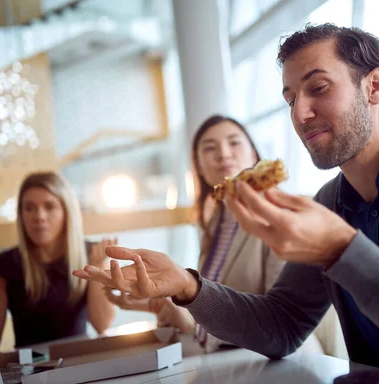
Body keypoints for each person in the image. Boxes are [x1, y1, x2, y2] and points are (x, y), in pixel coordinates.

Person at [73, 23, 379, 383]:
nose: (301, 113)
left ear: (375, 86)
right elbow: (282, 326)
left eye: (318, 88)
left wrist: (342, 250)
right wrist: (187, 286)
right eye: (289, 98)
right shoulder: (331, 200)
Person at [104, 115, 325, 353]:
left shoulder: (279, 214)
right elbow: (219, 306)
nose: (223, 154)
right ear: (198, 166)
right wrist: (164, 305)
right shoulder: (214, 223)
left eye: (234, 143)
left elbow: (280, 319)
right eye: (210, 148)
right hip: (236, 361)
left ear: (253, 154)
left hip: (286, 361)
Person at [0, 172, 116, 355]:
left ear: (66, 212)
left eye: (49, 207)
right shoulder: (1, 267)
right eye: (30, 208)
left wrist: (97, 270)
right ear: (21, 214)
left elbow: (102, 325)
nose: (39, 216)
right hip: (27, 370)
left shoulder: (92, 255)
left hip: (81, 360)